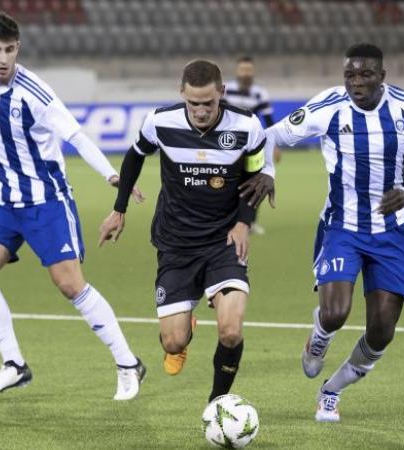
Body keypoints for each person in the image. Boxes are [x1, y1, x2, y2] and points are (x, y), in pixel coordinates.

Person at [0, 12, 146, 400]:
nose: (2, 59)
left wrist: (113, 176)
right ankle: (14, 365)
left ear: (18, 49)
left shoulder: (35, 93)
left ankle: (128, 363)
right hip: (4, 204)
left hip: (48, 202)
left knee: (69, 285)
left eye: (9, 50)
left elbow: (77, 137)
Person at [266, 43, 404, 422]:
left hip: (392, 233)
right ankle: (319, 337)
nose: (357, 82)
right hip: (342, 227)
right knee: (335, 313)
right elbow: (271, 136)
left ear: (383, 75)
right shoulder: (328, 106)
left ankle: (331, 390)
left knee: (381, 332)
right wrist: (267, 172)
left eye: (365, 75)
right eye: (350, 75)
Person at [98, 60, 274, 402]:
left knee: (231, 331)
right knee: (173, 341)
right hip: (176, 243)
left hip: (224, 239)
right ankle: (185, 328)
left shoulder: (247, 126)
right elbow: (135, 157)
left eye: (208, 103)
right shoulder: (160, 121)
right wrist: (119, 209)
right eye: (193, 103)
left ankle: (217, 403)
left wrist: (243, 223)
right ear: (182, 94)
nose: (201, 111)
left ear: (221, 93)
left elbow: (255, 180)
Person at [224, 56, 280, 235]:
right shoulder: (226, 90)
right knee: (227, 183)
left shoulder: (260, 93)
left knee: (254, 182)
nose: (245, 73)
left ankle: (251, 222)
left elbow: (269, 122)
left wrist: (275, 146)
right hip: (228, 145)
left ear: (253, 71)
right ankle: (228, 220)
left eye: (248, 69)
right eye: (242, 69)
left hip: (252, 145)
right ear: (237, 71)